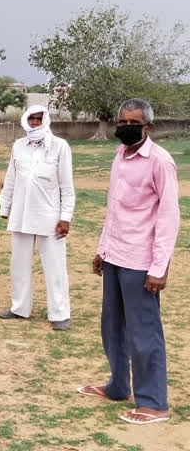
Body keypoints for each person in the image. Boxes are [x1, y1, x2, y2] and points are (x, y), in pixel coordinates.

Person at [78, 98, 180, 425]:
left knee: (144, 332)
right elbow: (114, 210)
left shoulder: (160, 162)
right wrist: (102, 249)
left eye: (132, 123)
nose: (125, 128)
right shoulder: (119, 156)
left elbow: (168, 217)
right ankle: (119, 385)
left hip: (141, 261)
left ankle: (154, 402)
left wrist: (159, 266)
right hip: (115, 256)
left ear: (148, 126)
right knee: (112, 327)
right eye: (121, 123)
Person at [0, 105, 75, 331]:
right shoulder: (19, 146)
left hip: (49, 217)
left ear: (46, 120)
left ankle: (60, 314)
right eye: (31, 119)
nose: (34, 123)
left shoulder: (60, 147)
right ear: (25, 120)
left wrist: (65, 217)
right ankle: (19, 308)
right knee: (18, 265)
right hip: (21, 214)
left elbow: (67, 187)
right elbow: (10, 178)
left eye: (39, 119)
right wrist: (6, 206)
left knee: (55, 267)